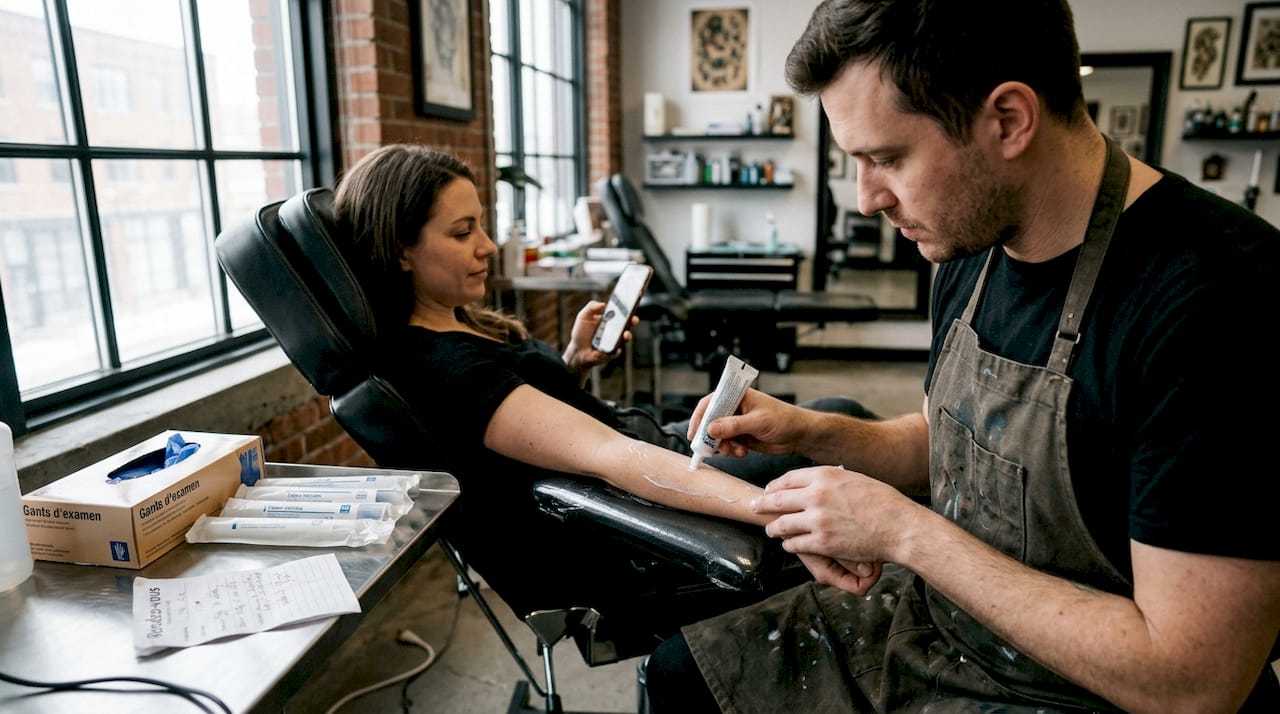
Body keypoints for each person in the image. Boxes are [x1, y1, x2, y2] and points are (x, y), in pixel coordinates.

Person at [644, 1, 1280, 712]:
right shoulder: (972, 249)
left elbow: (1194, 681)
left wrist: (905, 531)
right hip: (952, 630)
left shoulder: (1217, 300)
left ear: (1008, 120)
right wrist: (813, 432)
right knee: (683, 676)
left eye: (886, 158)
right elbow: (951, 442)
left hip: (1091, 692)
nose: (865, 199)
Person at [330, 143, 865, 629]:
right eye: (462, 232)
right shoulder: (445, 366)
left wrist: (573, 363)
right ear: (401, 252)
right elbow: (609, 453)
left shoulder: (458, 324)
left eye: (481, 226)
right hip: (637, 504)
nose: (488, 246)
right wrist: (779, 516)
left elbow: (528, 421)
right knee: (841, 428)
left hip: (650, 445)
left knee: (833, 419)